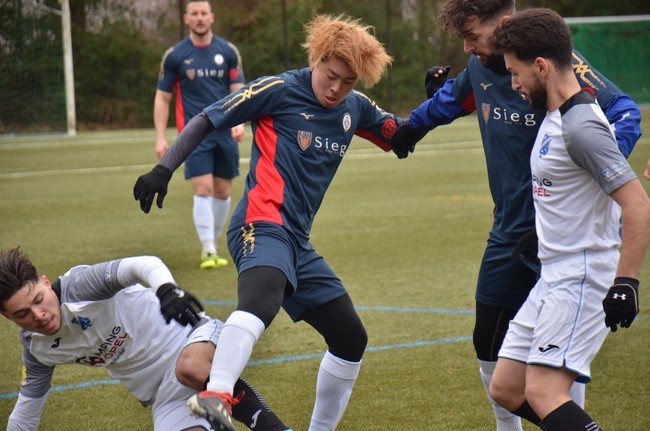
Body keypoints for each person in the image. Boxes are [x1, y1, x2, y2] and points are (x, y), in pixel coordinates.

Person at [134, 13, 401, 431]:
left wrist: (435, 103)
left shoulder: (355, 107)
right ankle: (216, 394)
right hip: (259, 223)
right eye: (331, 76)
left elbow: (399, 135)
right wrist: (164, 168)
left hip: (297, 243)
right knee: (262, 301)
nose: (336, 88)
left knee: (351, 338)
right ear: (316, 60)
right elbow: (207, 117)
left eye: (348, 82)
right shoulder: (279, 89)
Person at [390, 1, 642, 430]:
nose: (467, 48)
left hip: (570, 241)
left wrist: (595, 175)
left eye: (472, 36)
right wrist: (410, 127)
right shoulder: (485, 67)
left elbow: (622, 115)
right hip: (511, 231)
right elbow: (454, 98)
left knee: (552, 375)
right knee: (493, 353)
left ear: (505, 26)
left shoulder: (559, 74)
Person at [486, 9, 650, 429]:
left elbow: (637, 203)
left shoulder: (581, 127)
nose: (513, 84)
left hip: (581, 275)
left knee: (544, 392)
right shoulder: (555, 114)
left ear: (541, 67)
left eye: (515, 73)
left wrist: (626, 283)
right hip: (553, 273)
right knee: (506, 388)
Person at [0, 248, 292, 431]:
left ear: (46, 283)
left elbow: (142, 264)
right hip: (162, 397)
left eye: (38, 299)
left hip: (193, 339)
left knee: (189, 368)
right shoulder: (37, 350)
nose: (38, 315)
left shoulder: (80, 287)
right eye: (23, 314)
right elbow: (25, 415)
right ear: (7, 318)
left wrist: (166, 290)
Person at [155, 0, 246, 269]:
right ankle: (208, 249)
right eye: (194, 13)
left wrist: (239, 122)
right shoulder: (175, 55)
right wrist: (160, 137)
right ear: (186, 19)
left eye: (203, 13)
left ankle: (213, 245)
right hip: (194, 135)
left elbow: (240, 92)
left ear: (211, 17)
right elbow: (163, 98)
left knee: (223, 192)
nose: (199, 18)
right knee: (204, 188)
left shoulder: (228, 51)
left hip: (225, 133)